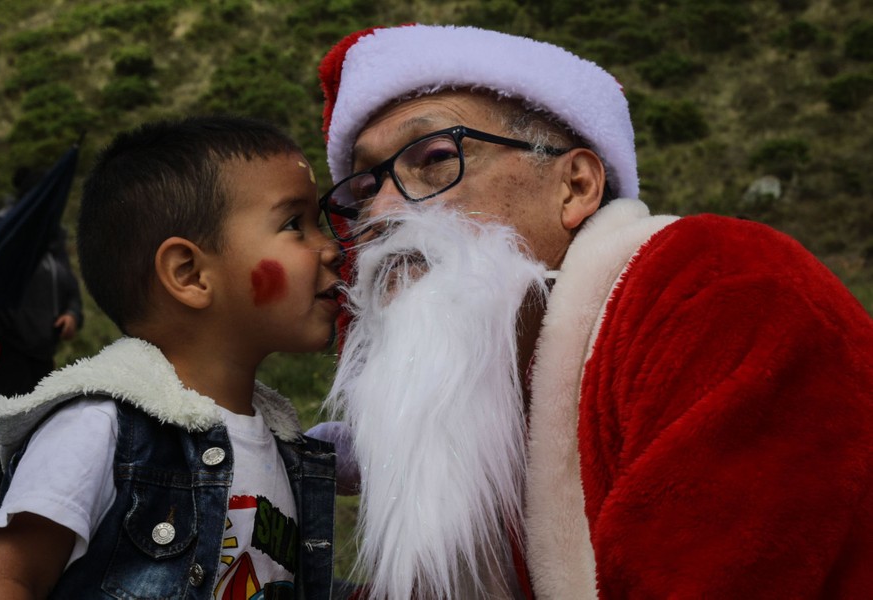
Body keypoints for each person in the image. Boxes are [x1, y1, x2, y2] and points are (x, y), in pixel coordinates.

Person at [316, 24, 873, 599]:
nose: (379, 213)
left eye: (434, 157)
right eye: (360, 191)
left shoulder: (718, 285)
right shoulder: (493, 395)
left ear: (576, 185)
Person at [0, 115, 343, 599]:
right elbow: (11, 579)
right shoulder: (98, 428)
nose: (331, 248)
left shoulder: (284, 453)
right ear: (189, 274)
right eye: (295, 224)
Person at [0, 168, 84, 505]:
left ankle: (13, 483)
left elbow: (69, 288)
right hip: (0, 344)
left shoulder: (51, 239)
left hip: (39, 344)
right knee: (17, 415)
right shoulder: (2, 232)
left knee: (40, 413)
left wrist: (72, 314)